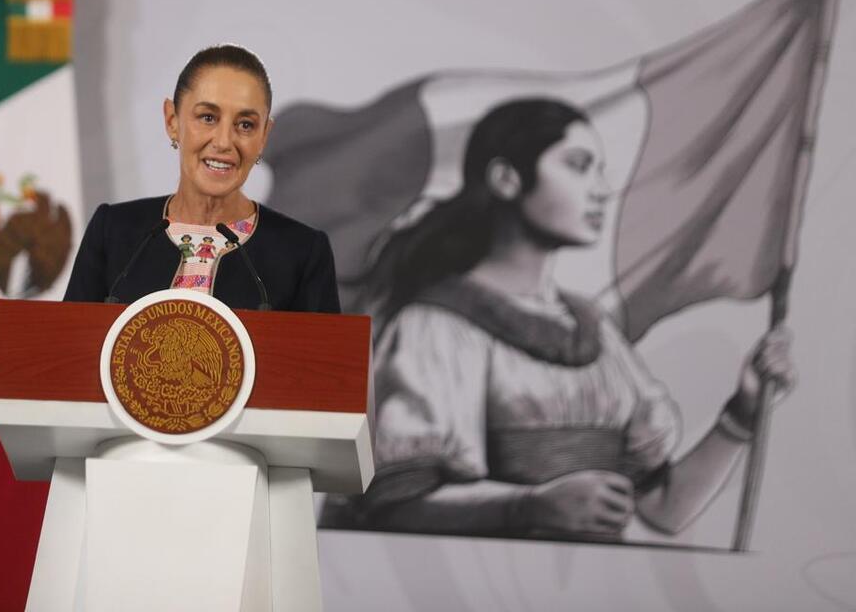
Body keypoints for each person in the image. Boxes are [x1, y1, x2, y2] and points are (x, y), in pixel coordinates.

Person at [321, 98, 794, 540]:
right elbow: (398, 508)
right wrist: (530, 506)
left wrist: (743, 414)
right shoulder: (437, 326)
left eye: (600, 170)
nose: (603, 191)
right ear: (507, 178)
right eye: (578, 165)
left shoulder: (597, 332)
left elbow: (662, 511)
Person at [63, 44, 341, 313]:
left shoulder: (302, 252)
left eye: (246, 125)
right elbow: (64, 349)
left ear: (264, 136)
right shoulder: (113, 231)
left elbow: (322, 360)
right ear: (172, 121)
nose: (223, 142)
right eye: (208, 117)